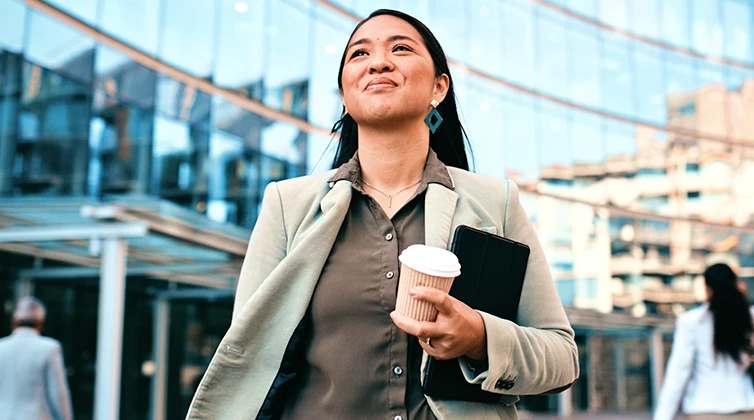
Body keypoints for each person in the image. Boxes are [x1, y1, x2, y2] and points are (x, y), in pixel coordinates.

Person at [186, 9, 578, 420]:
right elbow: (249, 355)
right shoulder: (286, 205)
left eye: (401, 48)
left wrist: (479, 338)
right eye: (359, 54)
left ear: (439, 87)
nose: (378, 62)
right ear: (344, 91)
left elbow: (562, 357)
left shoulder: (496, 202)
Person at [655, 263, 754, 419]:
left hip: (704, 409)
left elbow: (678, 372)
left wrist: (663, 417)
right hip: (746, 408)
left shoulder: (692, 321)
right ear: (736, 283)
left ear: (707, 288)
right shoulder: (749, 318)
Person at [0, 296, 73, 420]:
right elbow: (58, 393)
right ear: (41, 322)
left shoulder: (2, 347)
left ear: (14, 320)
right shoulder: (50, 348)